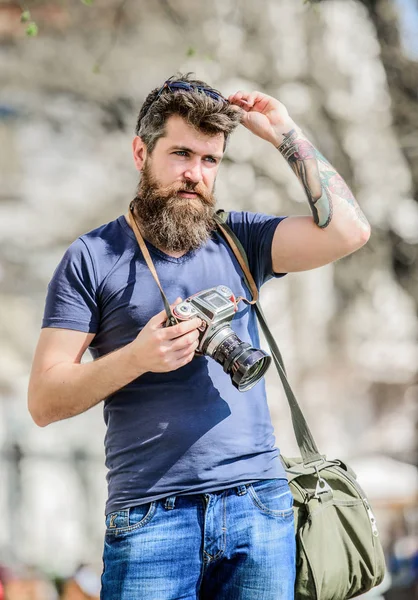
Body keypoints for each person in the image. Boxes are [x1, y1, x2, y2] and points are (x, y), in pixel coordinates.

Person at [28, 73, 370, 600]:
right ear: (141, 151)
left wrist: (283, 132)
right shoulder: (93, 257)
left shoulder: (241, 239)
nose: (195, 174)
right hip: (150, 520)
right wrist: (138, 358)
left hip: (259, 507)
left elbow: (351, 231)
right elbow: (44, 401)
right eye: (182, 154)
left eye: (210, 160)